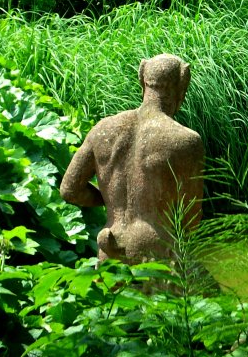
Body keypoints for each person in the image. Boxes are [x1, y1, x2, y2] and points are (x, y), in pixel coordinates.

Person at [60, 53, 204, 266]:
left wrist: (109, 199)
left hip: (109, 244)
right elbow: (191, 220)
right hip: (156, 252)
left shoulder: (103, 129)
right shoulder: (185, 141)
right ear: (183, 83)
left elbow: (69, 190)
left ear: (141, 80)